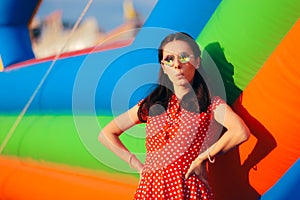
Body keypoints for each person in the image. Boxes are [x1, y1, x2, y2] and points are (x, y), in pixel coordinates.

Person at [98, 32, 250, 199]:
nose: (177, 65)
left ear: (197, 62)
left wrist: (202, 158)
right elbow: (106, 134)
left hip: (187, 189)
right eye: (169, 59)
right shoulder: (152, 103)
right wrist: (138, 166)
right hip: (150, 191)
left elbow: (240, 132)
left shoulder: (210, 104)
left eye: (184, 57)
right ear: (163, 66)